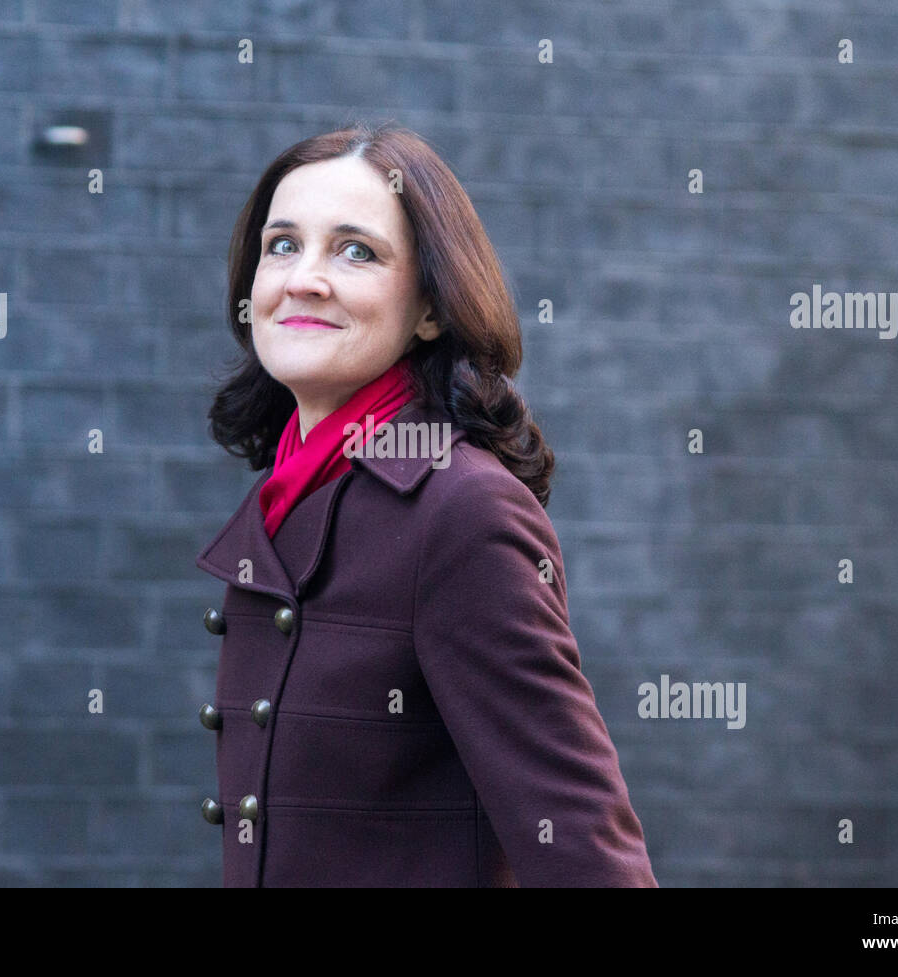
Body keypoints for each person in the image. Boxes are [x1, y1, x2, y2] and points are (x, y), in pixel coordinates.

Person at [195, 121, 657, 887]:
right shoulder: (294, 491)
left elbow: (582, 841)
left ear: (431, 310)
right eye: (282, 245)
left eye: (356, 251)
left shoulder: (462, 511)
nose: (304, 277)